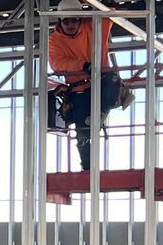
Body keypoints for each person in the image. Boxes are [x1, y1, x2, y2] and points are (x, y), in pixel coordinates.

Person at [47, 15, 121, 171]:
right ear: (60, 22)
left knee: (113, 83)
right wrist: (82, 65)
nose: (70, 24)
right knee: (82, 131)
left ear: (80, 21)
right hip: (77, 88)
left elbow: (107, 18)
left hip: (101, 81)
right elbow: (57, 62)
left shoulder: (92, 25)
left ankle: (99, 114)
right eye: (66, 21)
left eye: (73, 20)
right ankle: (87, 167)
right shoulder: (54, 40)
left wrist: (111, 8)